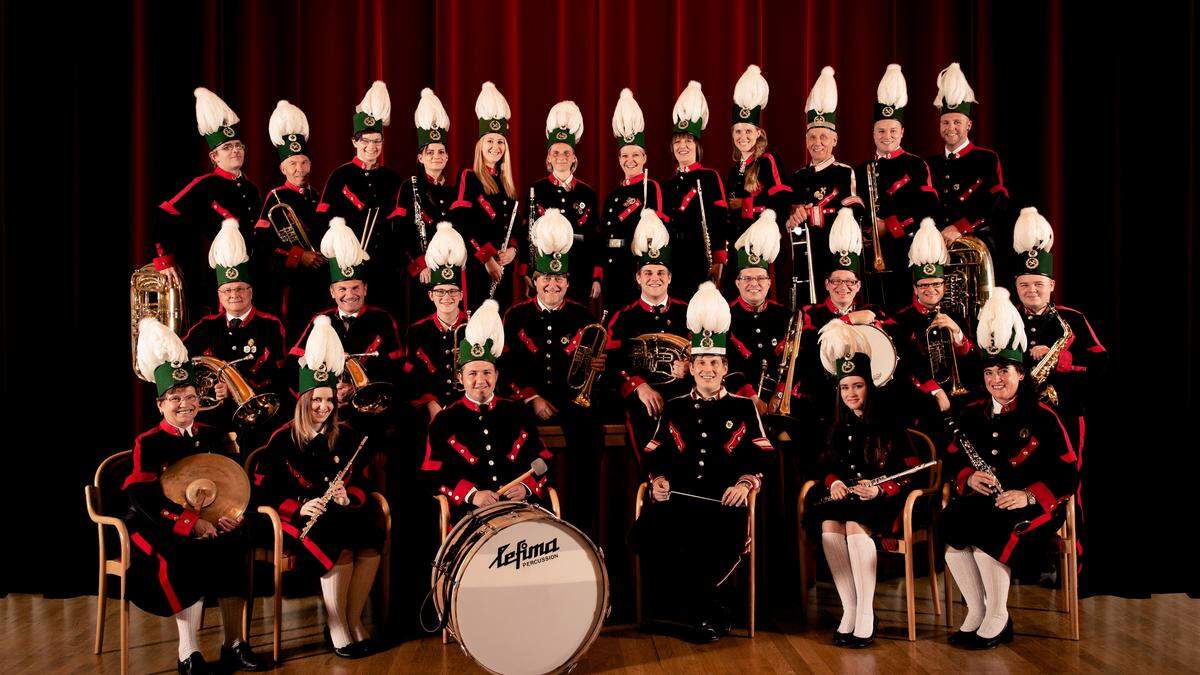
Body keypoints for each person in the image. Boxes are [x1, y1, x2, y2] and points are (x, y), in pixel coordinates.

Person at [629, 281, 774, 643]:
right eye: (700, 362)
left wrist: (745, 484)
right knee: (645, 533)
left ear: (725, 367)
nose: (707, 368)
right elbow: (654, 451)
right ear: (690, 367)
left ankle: (708, 614)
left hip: (723, 503)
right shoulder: (674, 406)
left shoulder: (743, 407)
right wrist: (658, 480)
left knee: (712, 541)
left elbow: (763, 454)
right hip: (678, 499)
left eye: (714, 362)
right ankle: (704, 611)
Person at [124, 318, 266, 673]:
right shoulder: (148, 442)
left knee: (238, 542)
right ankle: (189, 651)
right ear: (160, 405)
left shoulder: (215, 434)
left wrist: (232, 514)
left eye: (189, 396)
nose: (185, 404)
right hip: (163, 524)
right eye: (175, 398)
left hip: (216, 519)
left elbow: (234, 482)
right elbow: (142, 499)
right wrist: (191, 522)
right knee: (183, 551)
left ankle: (234, 643)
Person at [941, 289, 1078, 649]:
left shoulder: (1043, 415)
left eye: (1003, 371)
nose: (995, 379)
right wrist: (968, 477)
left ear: (1020, 372)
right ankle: (977, 610)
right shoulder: (972, 412)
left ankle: (998, 616)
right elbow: (955, 457)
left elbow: (1068, 472)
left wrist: (1028, 495)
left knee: (991, 528)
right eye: (989, 372)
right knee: (953, 524)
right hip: (986, 498)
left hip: (1034, 506)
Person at [252, 316, 385, 658]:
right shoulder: (282, 439)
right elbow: (263, 493)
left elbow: (363, 483)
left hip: (338, 510)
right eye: (316, 401)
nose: (323, 407)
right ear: (303, 400)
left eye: (329, 400)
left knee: (370, 526)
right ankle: (337, 626)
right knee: (337, 534)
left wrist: (348, 495)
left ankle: (353, 621)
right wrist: (298, 507)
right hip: (296, 520)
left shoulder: (348, 435)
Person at [802, 321, 922, 647]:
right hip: (849, 496)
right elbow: (824, 463)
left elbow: (912, 471)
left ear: (869, 386)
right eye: (845, 388)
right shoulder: (836, 425)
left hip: (884, 499)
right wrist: (834, 481)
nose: (851, 393)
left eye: (857, 386)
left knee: (855, 525)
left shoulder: (890, 422)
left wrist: (881, 489)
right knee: (828, 523)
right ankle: (850, 608)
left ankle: (867, 613)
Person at [502, 209, 606, 536]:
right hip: (527, 402)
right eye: (546, 278)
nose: (552, 284)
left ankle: (580, 527)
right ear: (535, 282)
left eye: (559, 279)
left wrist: (597, 371)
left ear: (567, 283)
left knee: (591, 439)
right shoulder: (515, 315)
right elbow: (506, 366)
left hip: (572, 402)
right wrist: (531, 397)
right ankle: (526, 523)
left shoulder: (581, 314)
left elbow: (590, 367)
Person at [420, 300, 555, 514]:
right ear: (460, 378)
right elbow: (432, 474)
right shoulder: (444, 420)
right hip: (471, 516)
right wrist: (472, 494)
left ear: (497, 375)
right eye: (472, 373)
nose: (480, 380)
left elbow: (544, 459)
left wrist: (527, 487)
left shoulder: (518, 412)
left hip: (521, 511)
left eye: (487, 372)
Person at [152, 88, 261, 318]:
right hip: (210, 277)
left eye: (238, 145)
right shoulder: (203, 185)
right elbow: (164, 214)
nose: (235, 151)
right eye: (227, 147)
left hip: (250, 274)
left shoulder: (251, 189)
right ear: (214, 156)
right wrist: (165, 259)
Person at [1011, 207, 1107, 460]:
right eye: (1025, 284)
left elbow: (1100, 363)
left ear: (1051, 286)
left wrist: (1062, 360)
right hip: (1018, 412)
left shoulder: (1072, 318)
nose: (1032, 290)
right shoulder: (1006, 318)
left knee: (1068, 475)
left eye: (1038, 284)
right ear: (1016, 286)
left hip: (1065, 411)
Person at [182, 219, 286, 442]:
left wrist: (236, 387)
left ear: (250, 292)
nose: (234, 295)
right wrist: (211, 392)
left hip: (261, 420)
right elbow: (184, 368)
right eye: (227, 290)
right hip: (214, 423)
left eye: (240, 289)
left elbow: (280, 374)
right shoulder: (205, 327)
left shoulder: (271, 325)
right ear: (219, 295)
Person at [605, 210, 690, 457]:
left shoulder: (690, 312)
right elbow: (611, 364)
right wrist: (638, 386)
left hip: (683, 393)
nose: (655, 278)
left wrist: (690, 365)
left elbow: (707, 352)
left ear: (670, 277)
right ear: (638, 278)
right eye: (648, 273)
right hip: (641, 399)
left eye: (661, 273)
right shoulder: (623, 316)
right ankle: (653, 483)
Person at [854, 64, 939, 308]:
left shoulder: (916, 165)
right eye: (881, 130)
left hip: (905, 247)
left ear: (902, 132)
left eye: (892, 130)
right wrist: (867, 229)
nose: (886, 136)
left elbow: (927, 207)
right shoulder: (862, 169)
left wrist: (889, 226)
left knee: (901, 305)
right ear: (873, 133)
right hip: (870, 251)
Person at [316, 81, 404, 313]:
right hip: (348, 267)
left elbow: (401, 225)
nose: (371, 146)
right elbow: (323, 221)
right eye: (365, 140)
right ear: (355, 142)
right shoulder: (339, 175)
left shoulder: (393, 178)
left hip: (385, 266)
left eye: (377, 141)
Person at [887, 219, 977, 421]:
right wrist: (934, 390)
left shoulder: (957, 313)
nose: (931, 290)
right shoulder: (900, 319)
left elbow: (973, 360)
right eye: (924, 285)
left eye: (936, 284)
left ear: (944, 285)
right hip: (921, 398)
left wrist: (957, 334)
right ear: (915, 288)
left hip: (960, 396)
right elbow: (903, 364)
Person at [254, 100, 327, 338]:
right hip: (292, 282)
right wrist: (299, 255)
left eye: (303, 162)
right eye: (292, 164)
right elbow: (263, 243)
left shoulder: (318, 196)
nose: (299, 169)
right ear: (283, 169)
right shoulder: (275, 197)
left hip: (322, 278)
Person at [787, 67, 863, 293]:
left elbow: (855, 209)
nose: (817, 142)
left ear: (835, 140)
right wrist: (792, 215)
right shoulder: (797, 176)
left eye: (823, 136)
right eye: (811, 136)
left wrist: (814, 213)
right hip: (802, 252)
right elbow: (789, 215)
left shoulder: (844, 172)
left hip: (835, 254)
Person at [926, 63, 1009, 258]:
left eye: (957, 122)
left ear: (969, 125)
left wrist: (959, 227)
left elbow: (996, 203)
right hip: (935, 247)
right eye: (945, 122)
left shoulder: (986, 158)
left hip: (975, 245)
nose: (951, 127)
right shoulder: (930, 164)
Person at [450, 82, 520, 311]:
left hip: (503, 269)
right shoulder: (468, 177)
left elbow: (516, 227)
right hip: (477, 267)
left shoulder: (507, 184)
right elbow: (462, 223)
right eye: (490, 141)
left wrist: (513, 251)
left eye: (500, 142)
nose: (495, 146)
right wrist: (487, 258)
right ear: (480, 145)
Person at [526, 101, 601, 305]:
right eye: (556, 153)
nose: (561, 157)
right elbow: (527, 234)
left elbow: (595, 238)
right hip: (544, 271)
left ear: (574, 157)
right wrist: (528, 270)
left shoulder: (587, 193)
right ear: (548, 158)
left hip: (580, 270)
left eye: (567, 152)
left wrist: (596, 276)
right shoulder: (536, 190)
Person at [392, 88, 458, 323]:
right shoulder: (409, 187)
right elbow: (399, 233)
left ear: (448, 157)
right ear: (420, 158)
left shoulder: (454, 191)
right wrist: (419, 265)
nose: (436, 156)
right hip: (421, 273)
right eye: (430, 152)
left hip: (451, 273)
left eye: (441, 152)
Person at [600, 88, 668, 312]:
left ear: (644, 158)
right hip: (612, 269)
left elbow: (656, 235)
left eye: (636, 155)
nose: (630, 160)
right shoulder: (612, 195)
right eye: (625, 155)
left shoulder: (651, 187)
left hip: (634, 268)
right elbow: (603, 236)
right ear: (619, 159)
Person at [726, 65, 791, 292]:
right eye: (738, 132)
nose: (743, 137)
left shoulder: (768, 160)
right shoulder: (734, 170)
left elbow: (782, 200)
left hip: (763, 240)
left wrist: (746, 206)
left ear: (758, 133)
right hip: (738, 240)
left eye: (748, 132)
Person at [662, 81, 730, 299]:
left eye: (688, 141)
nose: (683, 146)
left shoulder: (709, 177)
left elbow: (720, 219)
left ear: (697, 146)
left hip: (701, 255)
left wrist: (719, 259)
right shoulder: (668, 184)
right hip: (675, 257)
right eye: (678, 141)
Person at [725, 210, 791, 411]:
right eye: (747, 278)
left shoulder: (786, 315)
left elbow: (795, 360)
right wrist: (751, 397)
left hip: (781, 401)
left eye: (761, 278)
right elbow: (725, 361)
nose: (755, 283)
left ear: (769, 283)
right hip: (738, 400)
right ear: (737, 282)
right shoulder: (723, 315)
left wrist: (780, 394)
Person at [404, 222, 469, 425]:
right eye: (440, 291)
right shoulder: (416, 331)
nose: (446, 297)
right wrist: (431, 403)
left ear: (461, 294)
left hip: (468, 407)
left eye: (452, 291)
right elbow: (413, 375)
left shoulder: (475, 327)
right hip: (429, 410)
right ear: (431, 295)